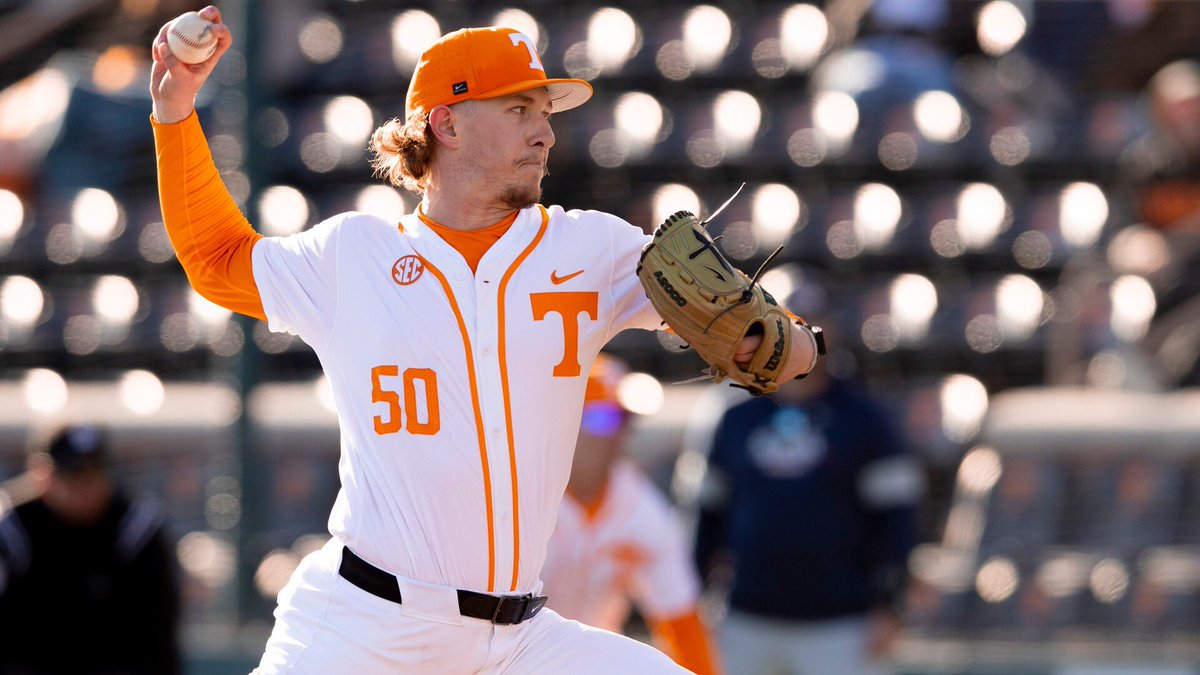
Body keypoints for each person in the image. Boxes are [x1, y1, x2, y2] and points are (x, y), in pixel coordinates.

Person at [148, 6, 822, 672]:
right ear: (447, 123)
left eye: (546, 113)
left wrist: (789, 342)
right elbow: (215, 258)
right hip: (365, 626)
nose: (545, 134)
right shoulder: (352, 256)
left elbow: (771, 336)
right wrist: (176, 111)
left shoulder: (591, 247)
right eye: (519, 110)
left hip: (520, 639)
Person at [678, 299, 920, 675]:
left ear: (832, 331)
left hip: (842, 623)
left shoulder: (865, 417)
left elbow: (897, 520)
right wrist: (691, 600)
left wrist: (891, 606)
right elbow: (704, 515)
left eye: (812, 319)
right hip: (744, 618)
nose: (798, 328)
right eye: (787, 317)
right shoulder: (732, 414)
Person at [541, 354, 722, 675]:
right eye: (601, 418)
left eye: (624, 419)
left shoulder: (639, 507)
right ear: (559, 420)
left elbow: (681, 620)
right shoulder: (520, 501)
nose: (616, 434)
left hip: (593, 665)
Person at [0, 425, 181, 675]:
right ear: (43, 475)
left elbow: (158, 637)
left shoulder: (136, 527)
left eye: (97, 472)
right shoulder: (13, 528)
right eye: (75, 474)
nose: (88, 485)